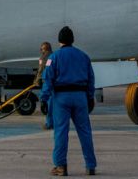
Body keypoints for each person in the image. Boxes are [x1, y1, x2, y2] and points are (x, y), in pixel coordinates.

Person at [39, 27, 96, 177]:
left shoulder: (53, 57)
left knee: (61, 132)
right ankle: (90, 166)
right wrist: (90, 97)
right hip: (80, 97)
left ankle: (61, 166)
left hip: (61, 98)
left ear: (59, 41)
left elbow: (48, 79)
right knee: (85, 132)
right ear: (73, 40)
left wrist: (44, 99)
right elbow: (91, 79)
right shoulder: (84, 56)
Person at [34, 41, 53, 130]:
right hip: (56, 82)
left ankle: (49, 124)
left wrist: (37, 80)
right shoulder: (54, 56)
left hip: (46, 82)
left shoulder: (42, 58)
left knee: (48, 103)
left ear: (43, 49)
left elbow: (41, 69)